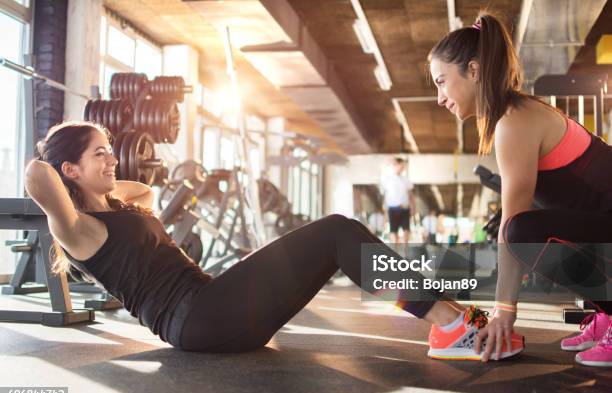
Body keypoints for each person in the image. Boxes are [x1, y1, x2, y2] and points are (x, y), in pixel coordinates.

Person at [26, 121, 523, 360]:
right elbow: (36, 174)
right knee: (334, 231)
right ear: (68, 169)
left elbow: (147, 189)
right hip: (199, 319)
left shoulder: (118, 209)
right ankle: (451, 327)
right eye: (99, 153)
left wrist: (93, 174)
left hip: (210, 313)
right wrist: (57, 161)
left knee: (339, 239)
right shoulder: (77, 229)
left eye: (111, 150)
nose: (112, 158)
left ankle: (456, 319)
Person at [429, 12, 612, 366]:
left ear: (474, 70)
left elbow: (514, 227)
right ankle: (605, 313)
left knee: (520, 230)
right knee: (525, 226)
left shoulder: (515, 121)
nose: (439, 97)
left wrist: (504, 312)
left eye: (441, 81)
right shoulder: (512, 116)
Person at [380, 157, 415, 244]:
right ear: (396, 165)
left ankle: (405, 254)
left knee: (406, 230)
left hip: (404, 208)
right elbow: (385, 198)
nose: (403, 168)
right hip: (392, 209)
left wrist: (413, 208)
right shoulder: (387, 180)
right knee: (393, 231)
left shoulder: (406, 180)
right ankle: (394, 253)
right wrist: (385, 213)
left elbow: (411, 196)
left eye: (403, 166)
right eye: (401, 165)